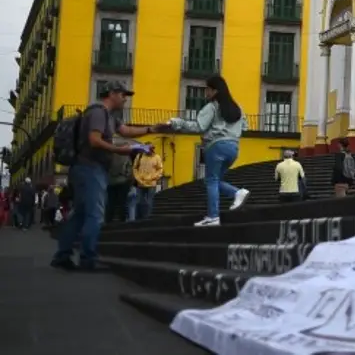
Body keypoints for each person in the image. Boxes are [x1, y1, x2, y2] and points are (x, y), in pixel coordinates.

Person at [52, 81, 155, 271]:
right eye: (124, 95)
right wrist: (120, 150)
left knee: (80, 215)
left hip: (87, 169)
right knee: (95, 215)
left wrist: (151, 129)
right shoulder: (98, 112)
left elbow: (126, 131)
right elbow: (94, 140)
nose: (125, 99)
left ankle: (63, 255)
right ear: (112, 94)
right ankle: (88, 259)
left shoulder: (109, 116)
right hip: (90, 168)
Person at [159, 75, 250, 227]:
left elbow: (199, 127)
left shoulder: (212, 107)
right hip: (233, 148)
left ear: (214, 91)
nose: (205, 92)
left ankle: (215, 215)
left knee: (211, 181)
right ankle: (237, 194)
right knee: (214, 180)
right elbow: (245, 127)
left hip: (216, 147)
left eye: (207, 89)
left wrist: (177, 123)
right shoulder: (238, 107)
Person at [131, 145, 164, 220]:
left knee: (149, 202)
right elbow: (135, 168)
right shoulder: (140, 156)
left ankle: (147, 218)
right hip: (140, 183)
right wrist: (138, 178)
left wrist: (153, 177)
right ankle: (138, 218)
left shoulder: (157, 157)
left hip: (151, 184)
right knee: (139, 201)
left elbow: (160, 169)